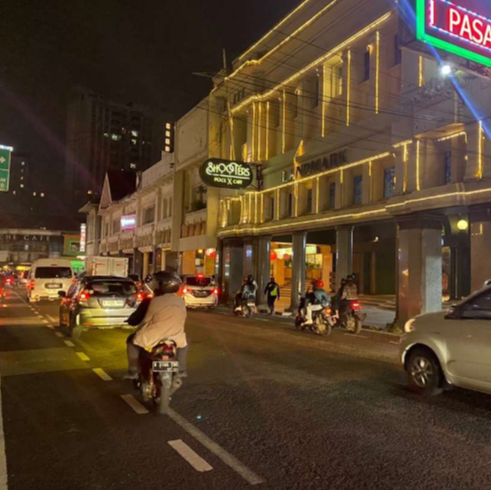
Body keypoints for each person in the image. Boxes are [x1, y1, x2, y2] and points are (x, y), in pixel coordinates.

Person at [125, 271, 188, 380]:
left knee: (131, 341)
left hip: (153, 336)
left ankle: (133, 371)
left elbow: (139, 319)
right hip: (175, 337)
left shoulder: (151, 301)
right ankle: (181, 370)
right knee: (184, 344)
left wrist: (131, 321)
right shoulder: (180, 302)